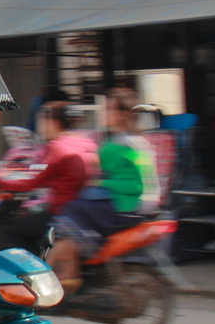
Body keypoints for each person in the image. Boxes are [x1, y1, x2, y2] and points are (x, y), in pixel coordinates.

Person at [50, 88, 160, 290]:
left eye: (109, 109)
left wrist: (100, 183)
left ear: (123, 114)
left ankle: (69, 276)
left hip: (127, 207)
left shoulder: (124, 144)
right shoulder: (122, 140)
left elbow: (137, 184)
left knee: (73, 210)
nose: (104, 113)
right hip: (125, 204)